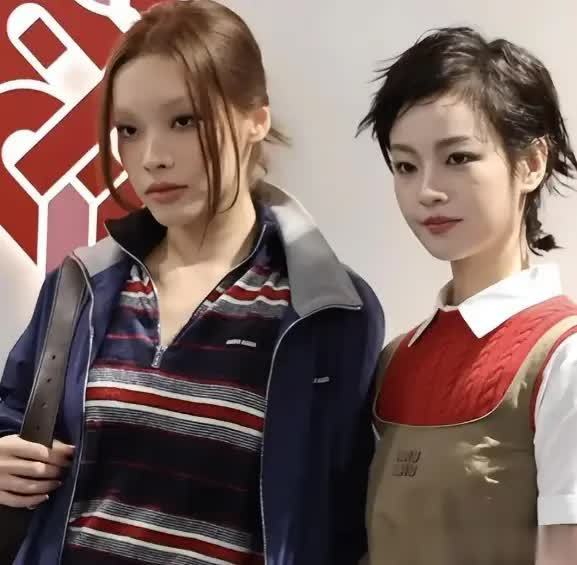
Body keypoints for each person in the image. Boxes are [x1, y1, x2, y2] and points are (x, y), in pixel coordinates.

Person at [0, 2, 384, 564]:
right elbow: (14, 411)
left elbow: (338, 520)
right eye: (129, 130)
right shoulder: (80, 285)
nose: (151, 157)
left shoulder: (327, 311)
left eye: (184, 120)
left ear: (256, 118)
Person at [358, 26, 577, 565]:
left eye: (457, 158)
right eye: (406, 166)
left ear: (531, 163)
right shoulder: (394, 362)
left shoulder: (563, 358)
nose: (427, 190)